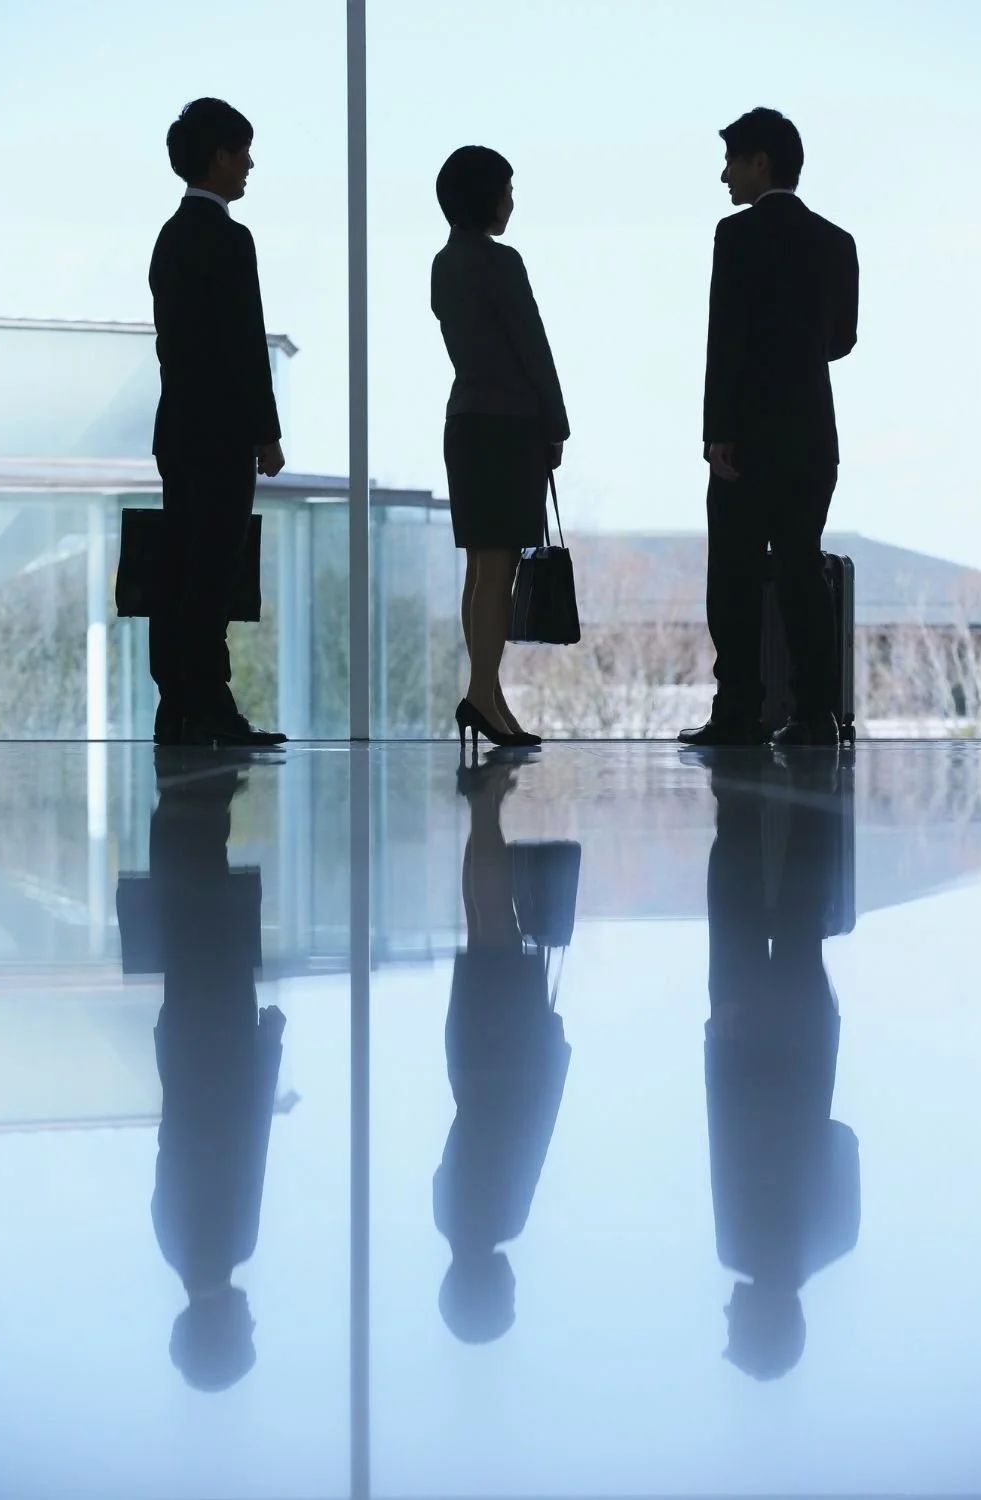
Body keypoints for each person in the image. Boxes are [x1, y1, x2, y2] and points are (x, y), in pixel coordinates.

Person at [679, 108, 859, 749]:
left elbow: (722, 339)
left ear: (761, 162)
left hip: (747, 436)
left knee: (733, 574)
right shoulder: (838, 242)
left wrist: (717, 431)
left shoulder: (737, 235)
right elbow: (842, 342)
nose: (724, 175)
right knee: (800, 568)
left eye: (732, 160)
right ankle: (816, 713)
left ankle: (739, 712)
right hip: (811, 432)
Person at [702, 753, 860, 1380]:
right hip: (743, 1053)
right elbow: (730, 1138)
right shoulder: (736, 1247)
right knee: (736, 908)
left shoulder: (834, 1241)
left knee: (799, 924)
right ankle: (739, 797)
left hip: (808, 1057)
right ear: (761, 1322)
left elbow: (842, 1141)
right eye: (735, 1326)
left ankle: (810, 786)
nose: (725, 1313)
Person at [143, 760, 286, 1392]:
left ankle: (204, 789)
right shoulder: (169, 1241)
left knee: (216, 919)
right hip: (185, 1051)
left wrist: (269, 1045)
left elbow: (248, 1140)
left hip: (224, 1052)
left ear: (223, 1330)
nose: (254, 1321)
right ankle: (180, 803)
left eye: (246, 1333)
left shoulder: (235, 1243)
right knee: (190, 926)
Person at [148, 97, 287, 749]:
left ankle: (177, 699)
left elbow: (180, 348)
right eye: (242, 152)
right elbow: (243, 343)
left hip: (179, 430)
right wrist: (267, 432)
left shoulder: (172, 238)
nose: (250, 164)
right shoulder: (230, 240)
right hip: (224, 432)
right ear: (219, 156)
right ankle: (209, 703)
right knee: (213, 571)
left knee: (182, 564)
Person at [431, 145, 570, 750]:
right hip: (508, 424)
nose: (511, 200)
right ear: (486, 196)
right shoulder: (501, 262)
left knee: (481, 567)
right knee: (498, 567)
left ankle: (486, 693)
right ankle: (483, 695)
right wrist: (556, 423)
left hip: (466, 422)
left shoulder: (443, 263)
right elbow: (531, 346)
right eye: (507, 189)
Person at [433, 756, 573, 1342]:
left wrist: (554, 1053)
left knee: (498, 926)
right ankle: (480, 808)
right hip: (469, 1062)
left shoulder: (501, 1219)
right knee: (484, 925)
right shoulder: (447, 1219)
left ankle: (485, 804)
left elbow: (531, 1129)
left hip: (507, 1063)